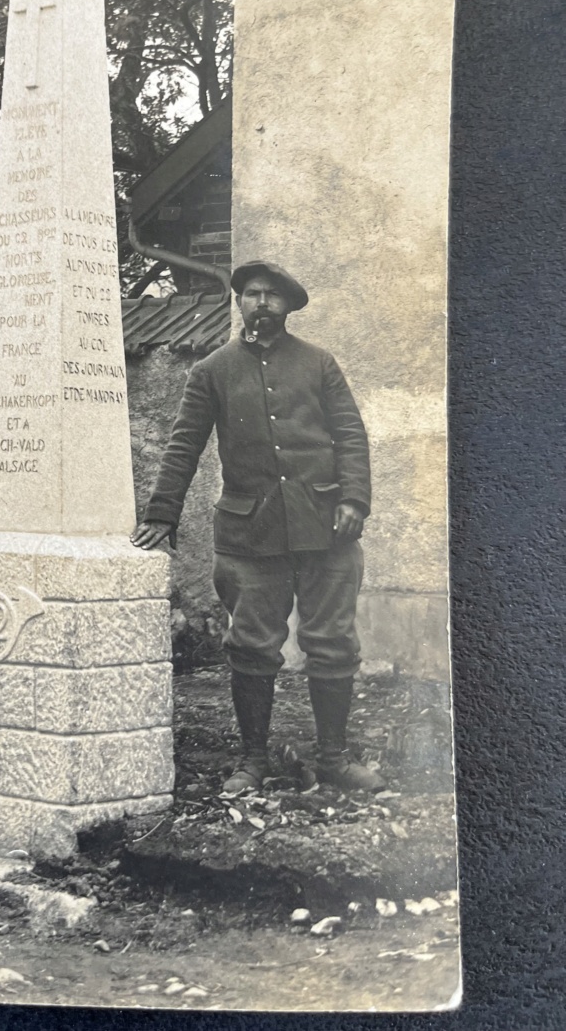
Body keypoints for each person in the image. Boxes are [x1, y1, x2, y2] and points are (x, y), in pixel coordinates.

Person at [131, 261, 384, 795]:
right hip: (251, 536)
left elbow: (350, 437)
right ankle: (253, 760)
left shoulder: (319, 364)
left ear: (288, 306)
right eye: (251, 294)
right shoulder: (212, 370)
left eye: (272, 295)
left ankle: (334, 758)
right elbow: (184, 444)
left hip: (327, 530)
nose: (261, 303)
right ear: (239, 302)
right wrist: (161, 513)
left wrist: (354, 500)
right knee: (250, 646)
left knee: (333, 642)